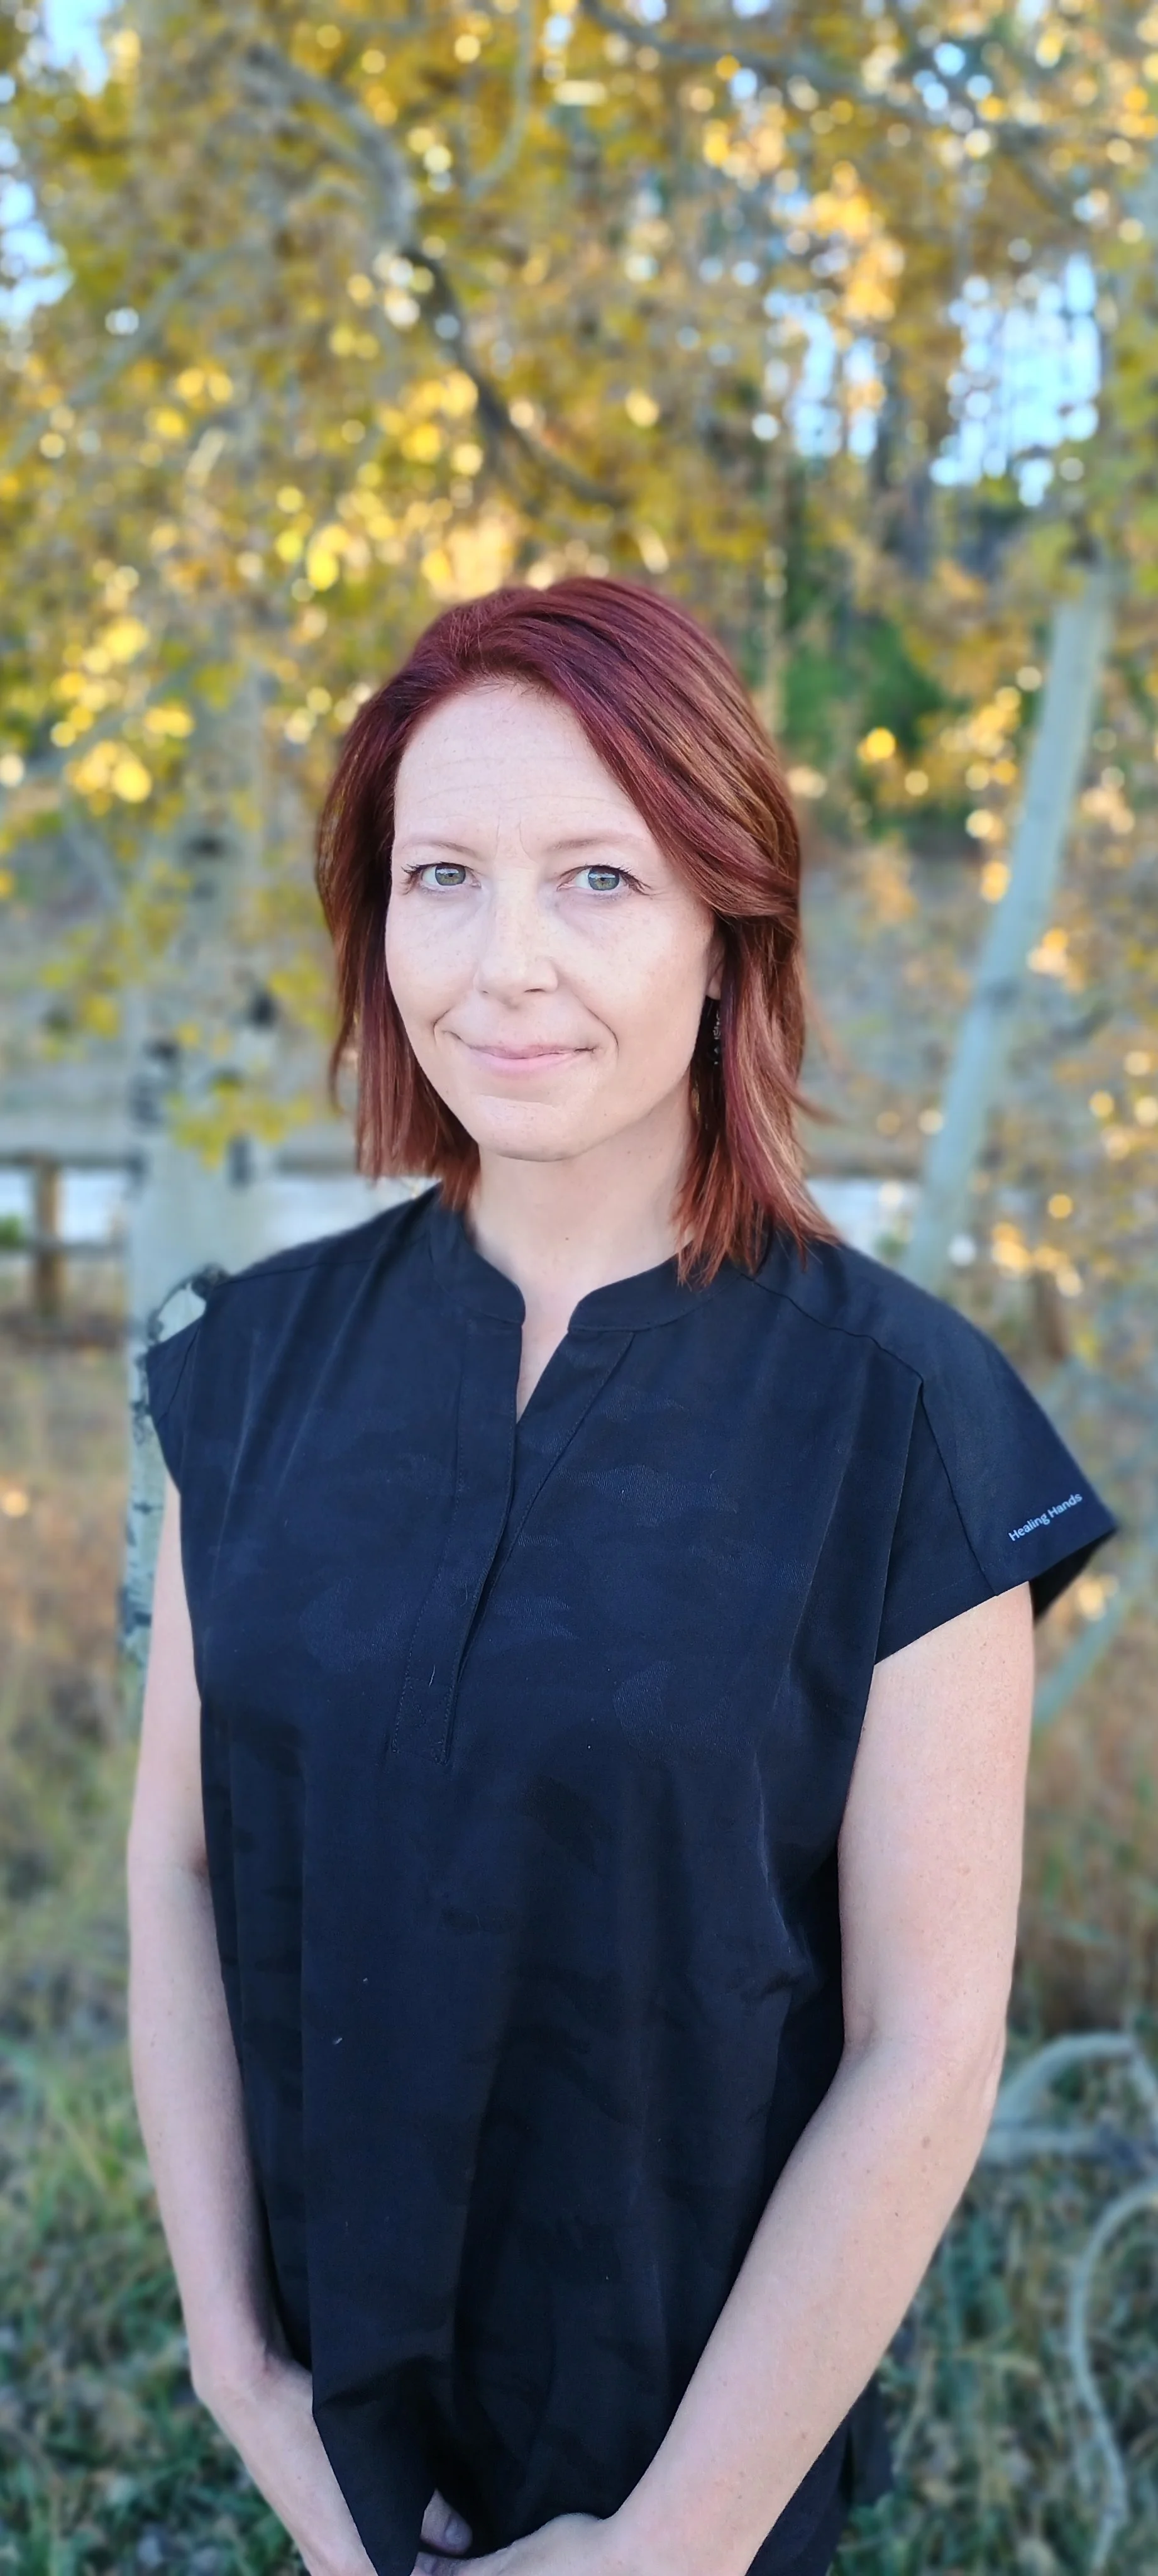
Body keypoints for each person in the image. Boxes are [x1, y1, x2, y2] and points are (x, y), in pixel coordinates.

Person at [127, 577, 1116, 2576]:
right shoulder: (246, 1372)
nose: (504, 966)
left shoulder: (907, 1416)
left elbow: (926, 2038)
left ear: (724, 923)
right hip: (335, 2486)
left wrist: (668, 2543)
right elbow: (178, 1865)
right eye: (440, 876)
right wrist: (247, 2384)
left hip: (697, 2492)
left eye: (596, 877)